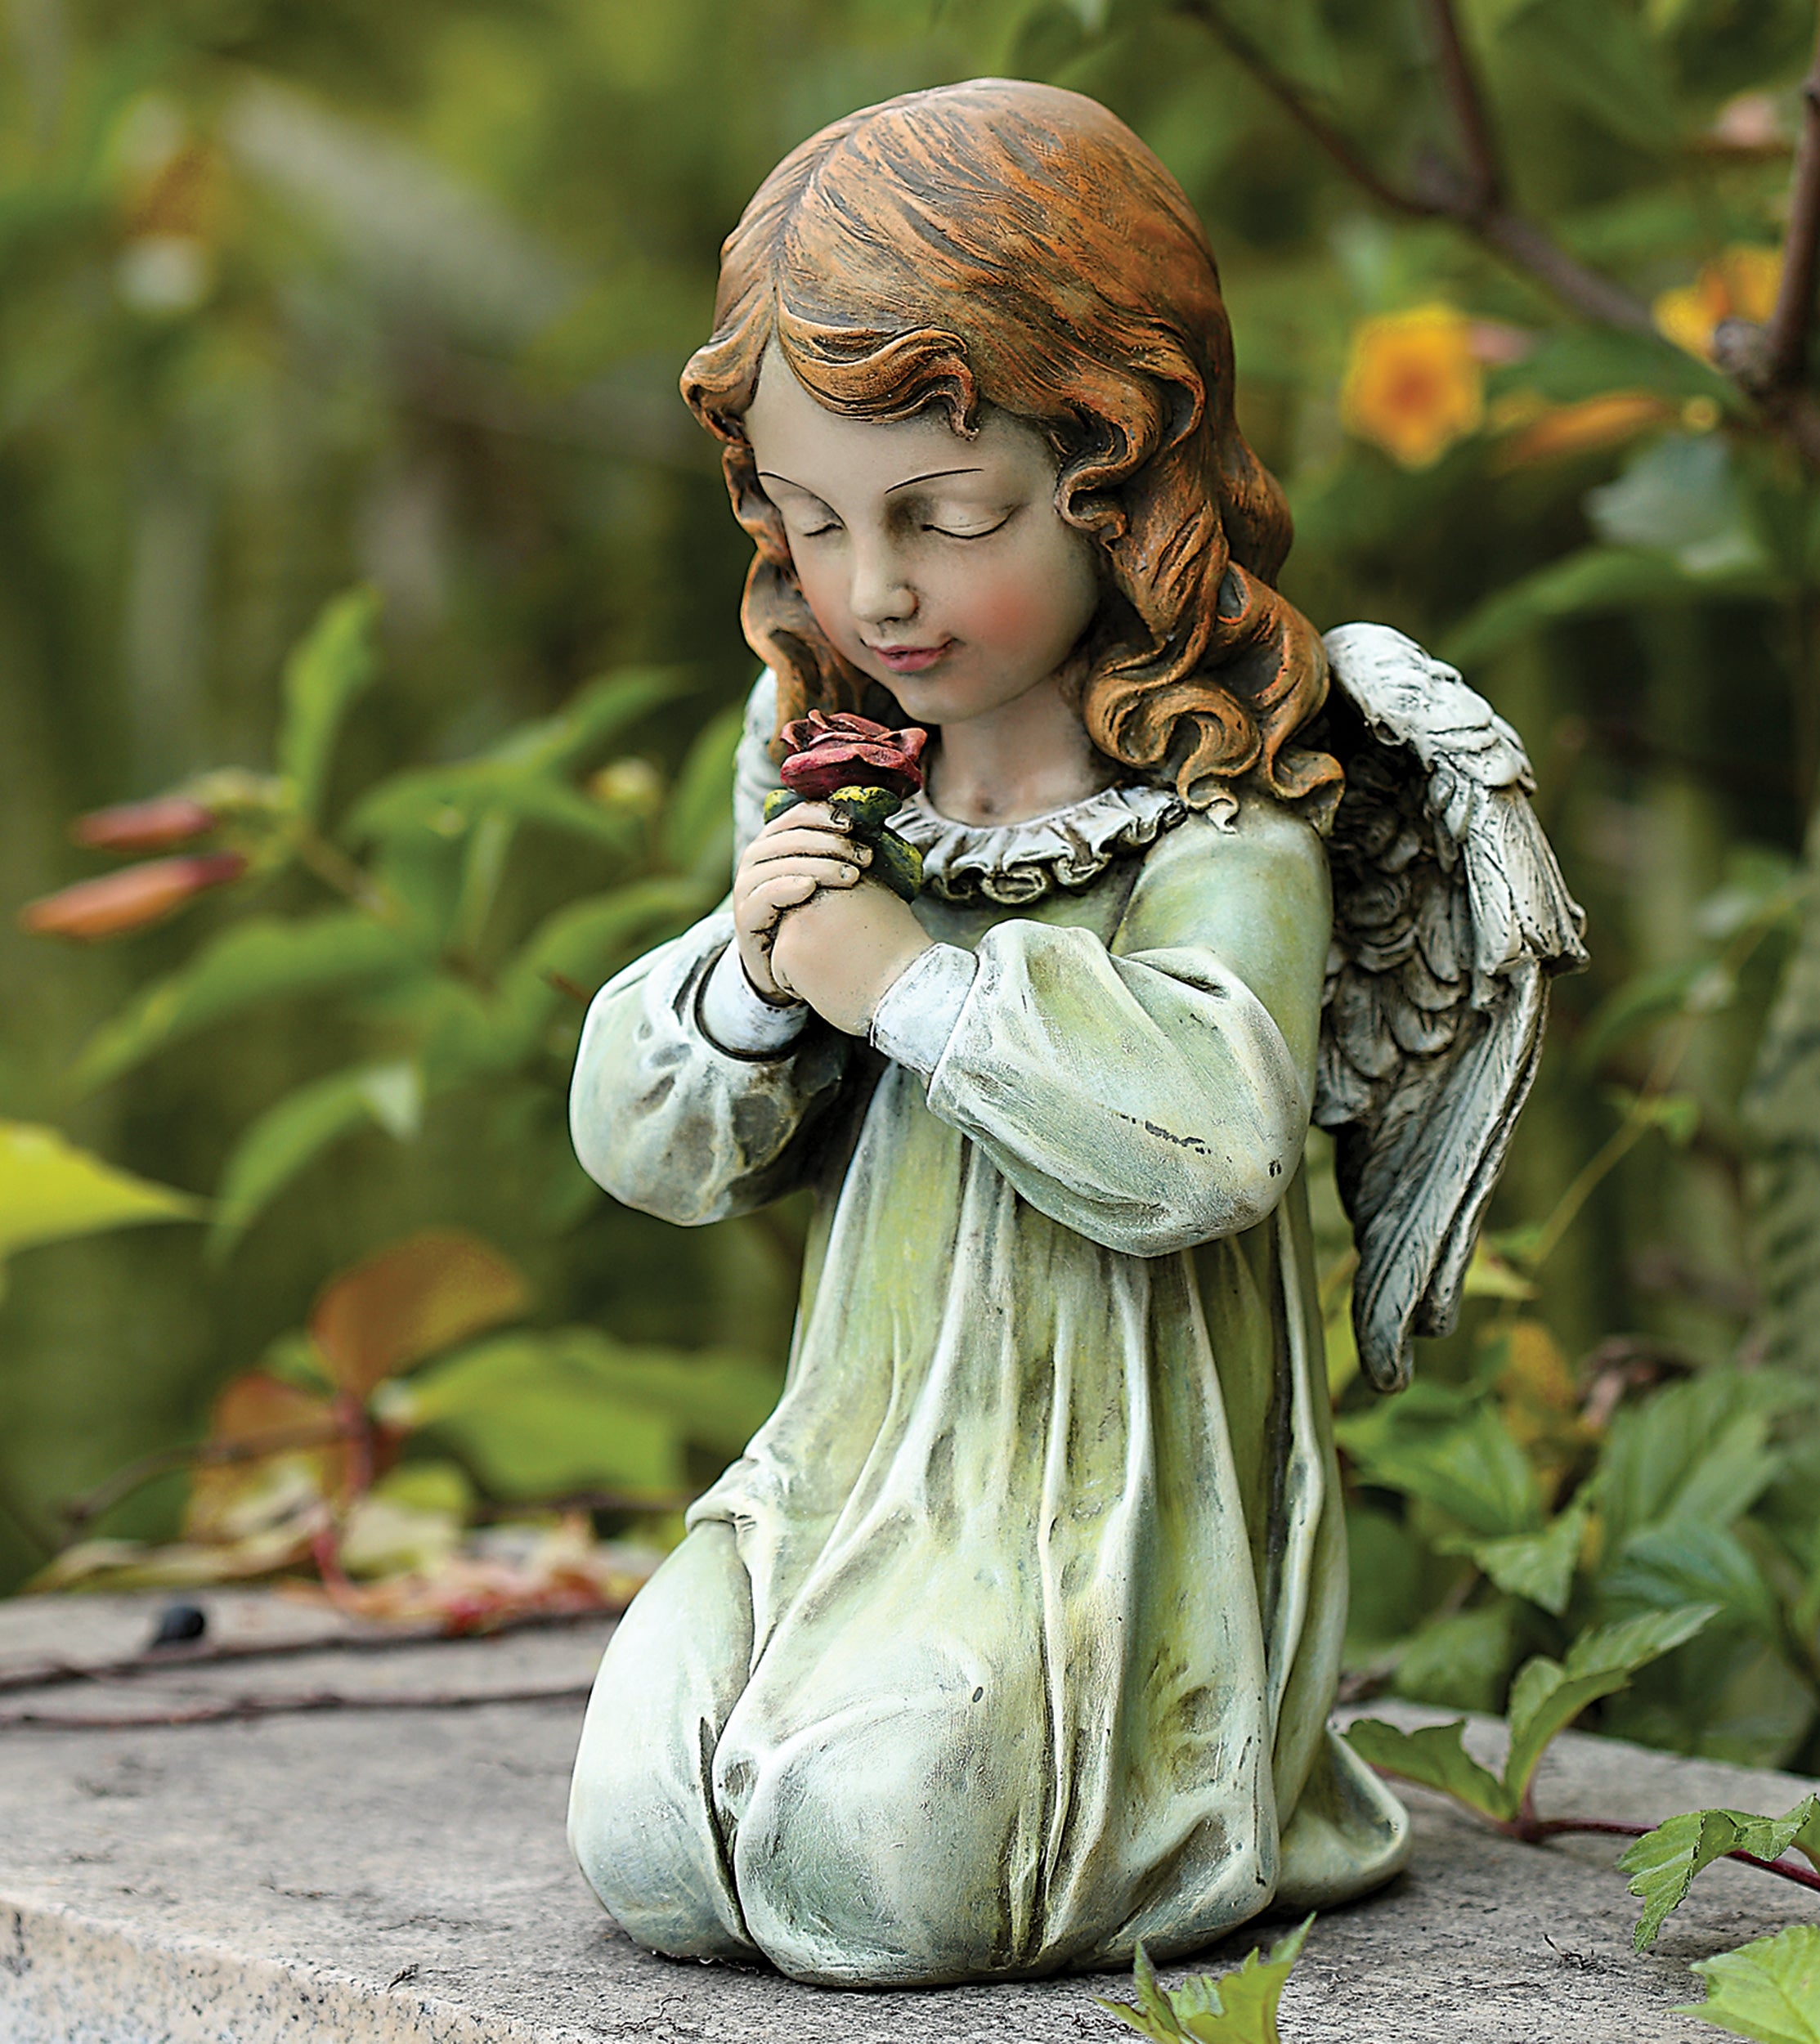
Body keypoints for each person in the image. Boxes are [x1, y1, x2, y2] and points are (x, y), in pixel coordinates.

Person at [563, 76, 1581, 1988]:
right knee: (643, 1834)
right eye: (811, 520)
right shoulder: (821, 771)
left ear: (1117, 473)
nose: (871, 590)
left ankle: (1137, 1789)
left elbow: (1200, 1146)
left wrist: (907, 981)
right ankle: (819, 1682)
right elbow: (646, 1148)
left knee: (866, 1866)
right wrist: (749, 973)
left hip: (1102, 1514)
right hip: (847, 1460)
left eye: (942, 519)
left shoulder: (1229, 821)